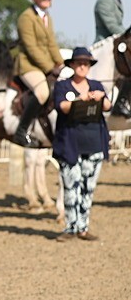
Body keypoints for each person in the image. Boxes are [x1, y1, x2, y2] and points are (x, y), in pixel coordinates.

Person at [51, 47, 111, 242]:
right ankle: (70, 227)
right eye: (79, 63)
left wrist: (101, 98)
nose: (82, 66)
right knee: (71, 186)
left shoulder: (97, 85)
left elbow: (108, 106)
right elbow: (62, 107)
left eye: (86, 63)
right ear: (72, 65)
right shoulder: (63, 86)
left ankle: (83, 227)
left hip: (94, 143)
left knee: (88, 188)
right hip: (70, 143)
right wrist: (81, 99)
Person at [12, 0, 65, 147]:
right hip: (28, 65)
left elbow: (52, 43)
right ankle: (21, 131)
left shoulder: (47, 17)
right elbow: (31, 48)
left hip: (46, 65)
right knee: (42, 92)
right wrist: (50, 67)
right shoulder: (26, 18)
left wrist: (62, 64)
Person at [94, 0, 130, 116]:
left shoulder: (116, 0)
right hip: (105, 46)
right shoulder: (104, 1)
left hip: (115, 44)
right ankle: (119, 103)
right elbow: (113, 27)